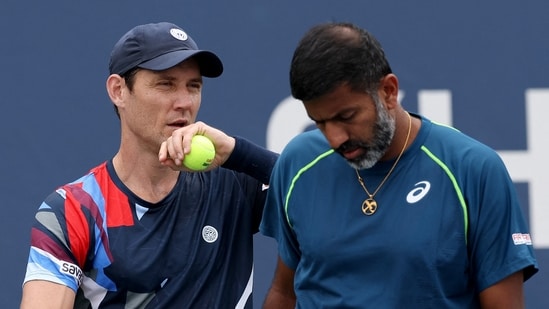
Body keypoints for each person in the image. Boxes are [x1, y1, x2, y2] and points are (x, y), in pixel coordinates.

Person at [260, 22, 538, 308]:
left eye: (346, 116)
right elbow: (284, 292)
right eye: (320, 122)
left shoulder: (474, 170)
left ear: (389, 91)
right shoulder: (297, 163)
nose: (334, 138)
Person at [20, 21, 278, 308]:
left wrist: (236, 151)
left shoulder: (236, 183)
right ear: (118, 91)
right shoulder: (74, 210)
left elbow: (325, 192)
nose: (184, 102)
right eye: (165, 84)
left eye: (193, 86)